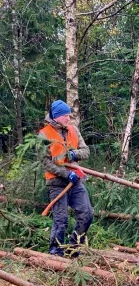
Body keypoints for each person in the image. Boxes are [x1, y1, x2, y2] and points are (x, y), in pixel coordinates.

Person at [40, 99, 93, 257]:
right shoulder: (44, 134)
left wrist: (74, 154)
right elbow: (46, 163)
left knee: (87, 213)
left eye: (69, 116)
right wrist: (65, 173)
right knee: (61, 219)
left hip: (76, 181)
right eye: (66, 116)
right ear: (56, 117)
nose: (69, 119)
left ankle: (73, 248)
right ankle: (55, 252)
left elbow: (86, 151)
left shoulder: (73, 130)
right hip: (57, 183)